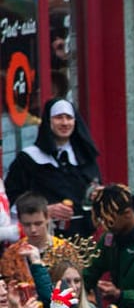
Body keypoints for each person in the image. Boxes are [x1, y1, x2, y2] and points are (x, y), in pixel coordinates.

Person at [1, 99, 102, 237]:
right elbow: (12, 200)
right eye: (58, 117)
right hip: (44, 239)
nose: (65, 123)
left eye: (69, 118)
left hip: (84, 238)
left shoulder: (85, 157)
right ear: (48, 122)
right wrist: (43, 210)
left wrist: (98, 194)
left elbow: (94, 190)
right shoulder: (28, 159)